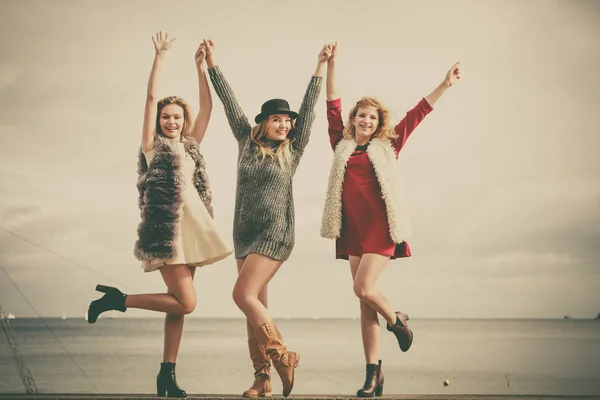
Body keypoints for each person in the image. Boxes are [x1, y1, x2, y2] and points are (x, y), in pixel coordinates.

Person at [86, 31, 232, 398]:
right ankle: (119, 300)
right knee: (187, 302)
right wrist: (161, 57)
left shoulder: (190, 145)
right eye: (166, 117)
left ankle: (167, 374)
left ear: (185, 121)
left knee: (178, 308)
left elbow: (209, 108)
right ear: (159, 121)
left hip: (195, 230)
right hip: (166, 232)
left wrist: (201, 67)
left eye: (177, 117)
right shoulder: (152, 148)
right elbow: (151, 97)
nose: (172, 122)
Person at [320, 42, 460, 397]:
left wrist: (443, 85)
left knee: (364, 289)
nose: (365, 120)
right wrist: (331, 63)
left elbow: (419, 111)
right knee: (364, 302)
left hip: (382, 229)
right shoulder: (341, 142)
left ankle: (398, 322)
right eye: (361, 115)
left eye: (372, 116)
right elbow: (332, 103)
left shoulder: (390, 145)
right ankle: (373, 373)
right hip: (352, 229)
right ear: (353, 120)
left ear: (379, 123)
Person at [204, 39, 330, 397]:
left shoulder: (293, 149)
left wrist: (318, 66)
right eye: (277, 119)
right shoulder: (246, 140)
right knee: (254, 307)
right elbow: (229, 102)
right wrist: (212, 64)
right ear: (263, 123)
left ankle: (282, 355)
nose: (285, 125)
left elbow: (308, 109)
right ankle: (262, 379)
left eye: (287, 121)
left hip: (275, 233)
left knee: (242, 295)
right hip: (243, 233)